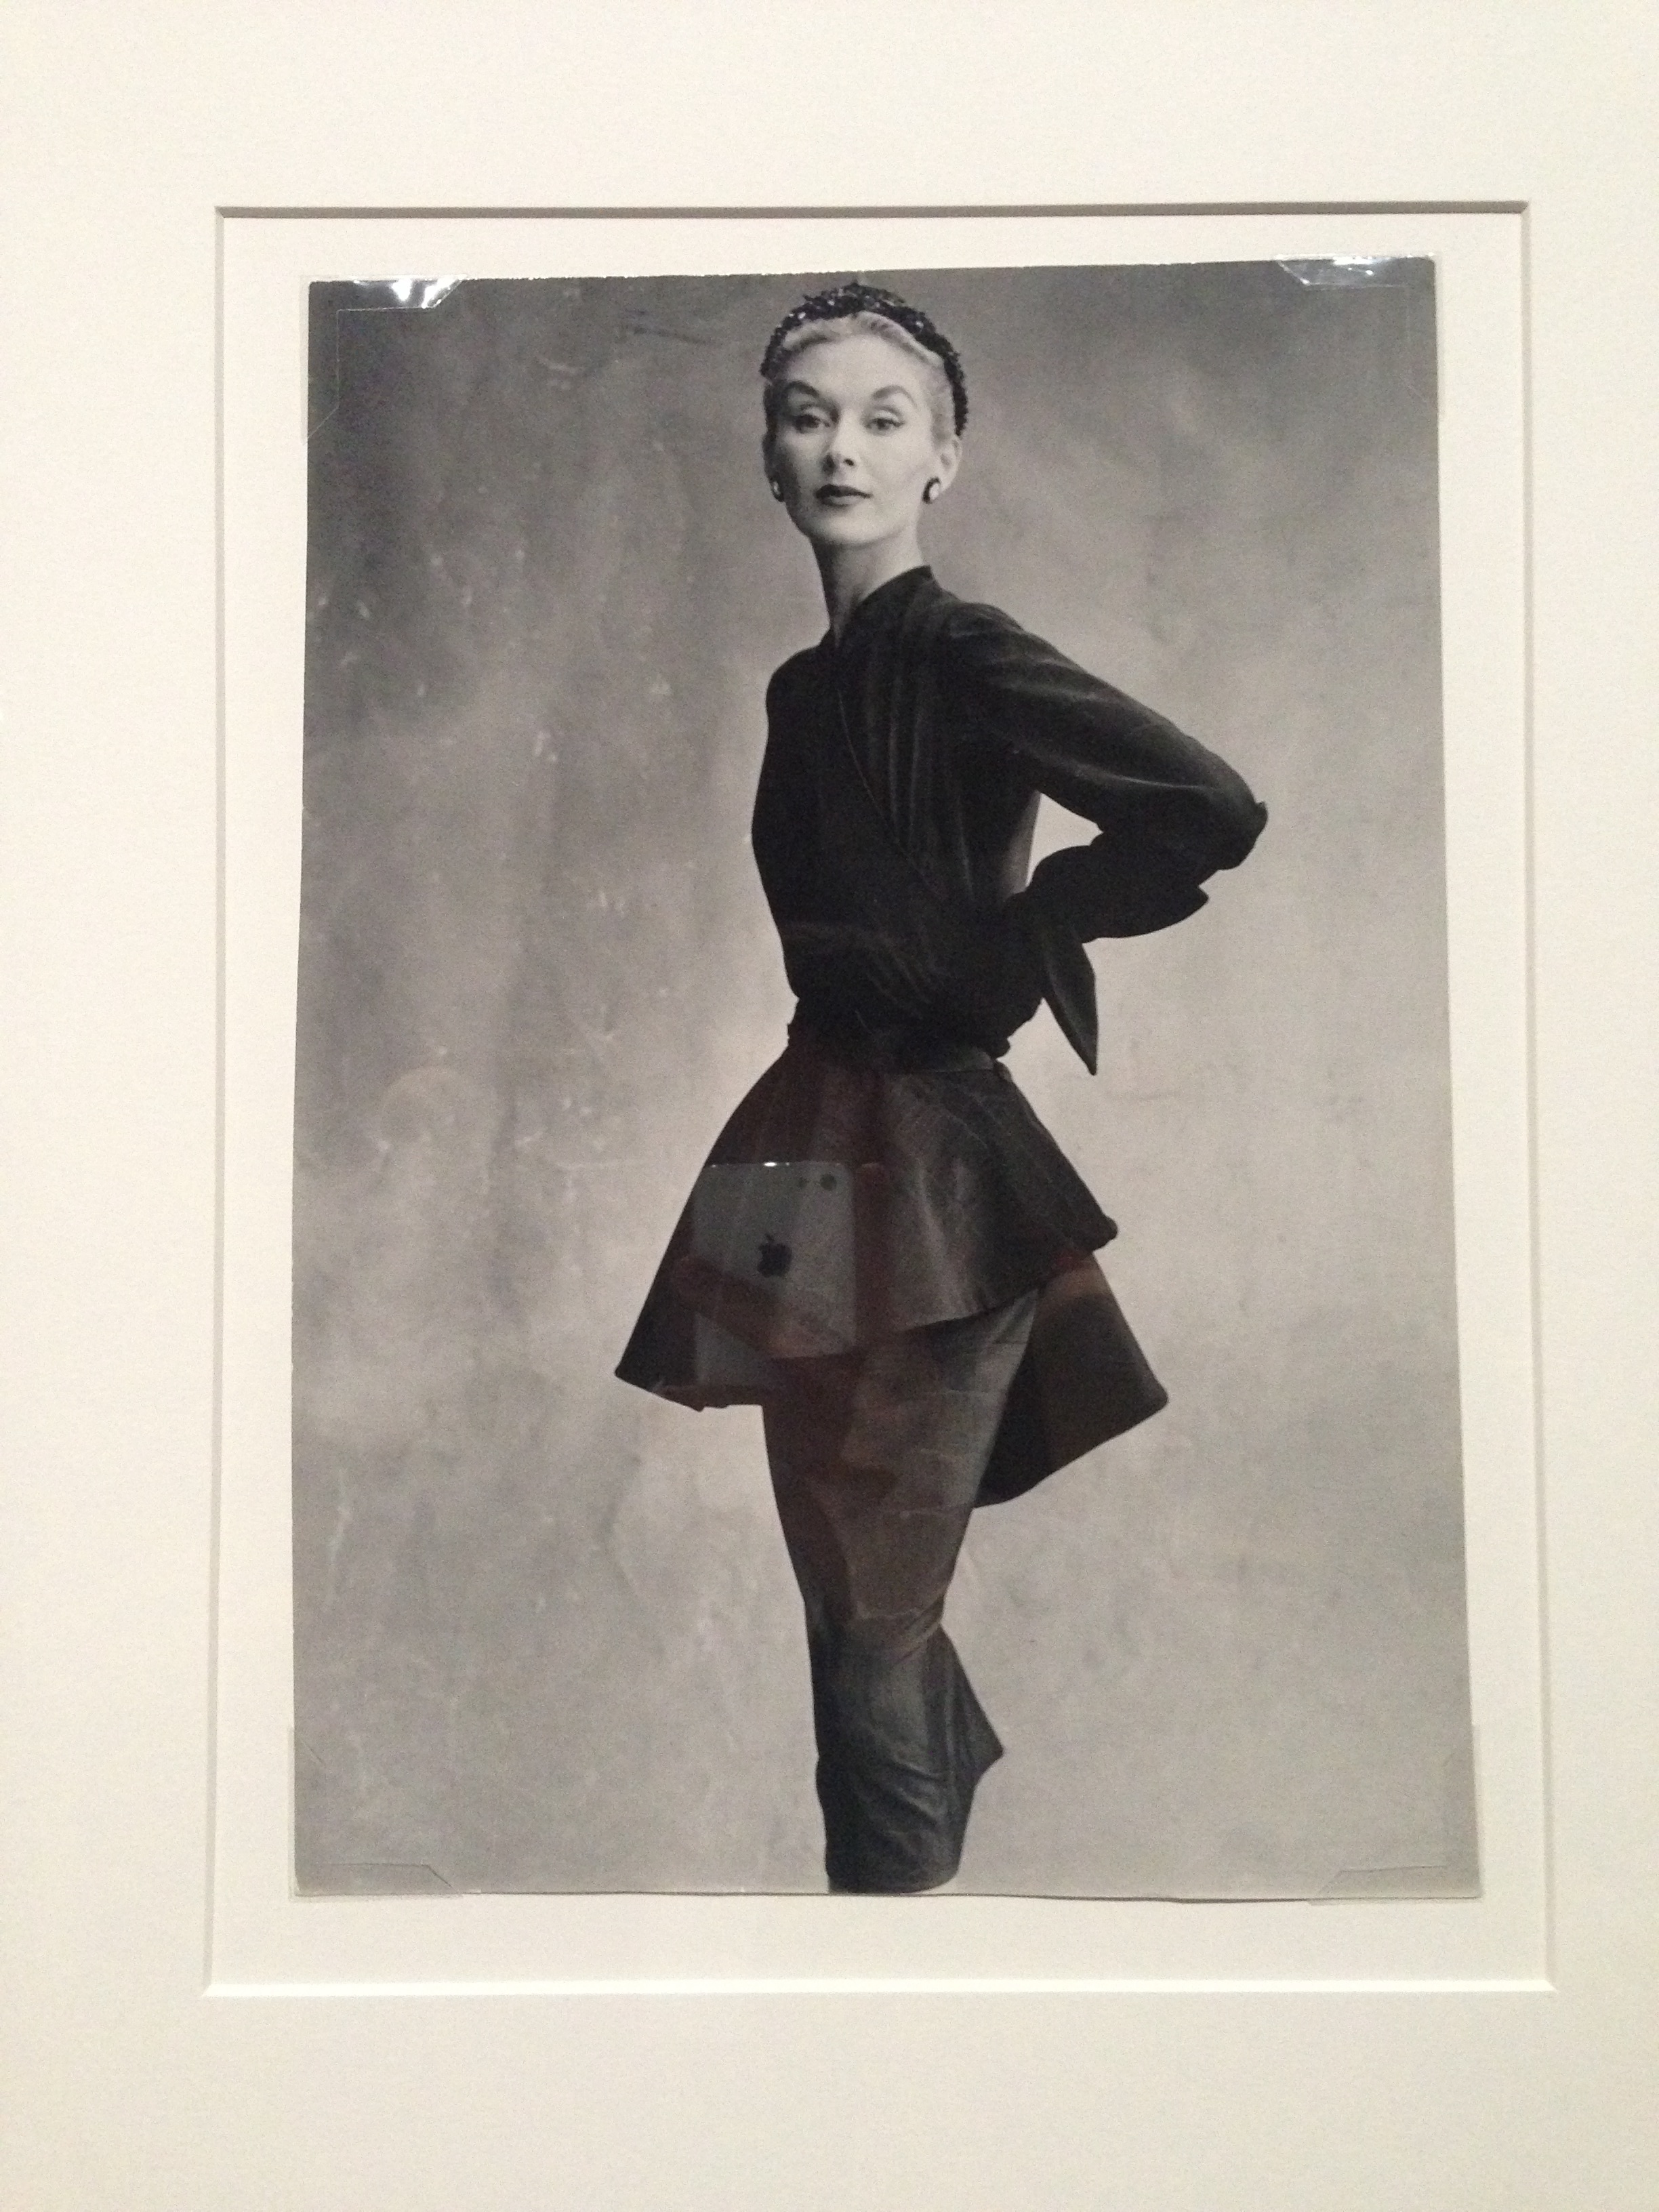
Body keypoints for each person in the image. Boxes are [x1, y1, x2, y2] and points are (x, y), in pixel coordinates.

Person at [617, 281, 1267, 1894]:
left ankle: (892, 1937)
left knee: (874, 1615)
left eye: (883, 418)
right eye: (809, 417)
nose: (842, 447)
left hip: (934, 1170)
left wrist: (1040, 923)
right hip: (799, 1140)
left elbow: (1207, 804)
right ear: (772, 458)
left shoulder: (965, 651)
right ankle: (902, 1855)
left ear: (941, 461)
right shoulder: (799, 689)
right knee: (839, 1598)